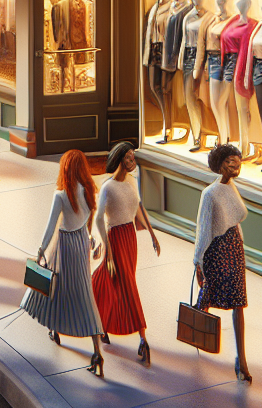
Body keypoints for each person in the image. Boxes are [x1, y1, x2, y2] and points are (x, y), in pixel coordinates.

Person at [21, 149, 106, 376]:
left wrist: (40, 251)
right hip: (81, 245)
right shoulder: (89, 192)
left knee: (56, 287)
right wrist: (91, 240)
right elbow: (88, 223)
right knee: (84, 293)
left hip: (64, 245)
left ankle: (54, 327)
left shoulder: (60, 195)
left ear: (65, 168)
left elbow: (50, 228)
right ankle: (97, 350)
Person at [91, 142, 161, 365]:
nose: (133, 162)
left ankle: (100, 321)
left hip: (130, 237)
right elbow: (99, 218)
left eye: (134, 157)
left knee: (111, 280)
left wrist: (152, 234)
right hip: (116, 239)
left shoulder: (131, 183)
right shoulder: (108, 187)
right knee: (126, 284)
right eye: (130, 158)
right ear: (121, 160)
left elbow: (140, 208)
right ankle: (143, 337)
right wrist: (108, 248)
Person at [195, 143, 251, 383]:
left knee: (239, 302)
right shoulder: (210, 194)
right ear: (220, 165)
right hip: (217, 252)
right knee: (207, 297)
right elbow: (203, 229)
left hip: (234, 249)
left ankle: (242, 359)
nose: (236, 164)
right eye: (230, 161)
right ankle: (197, 334)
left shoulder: (232, 187)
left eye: (237, 160)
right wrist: (198, 261)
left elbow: (236, 220)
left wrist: (241, 246)